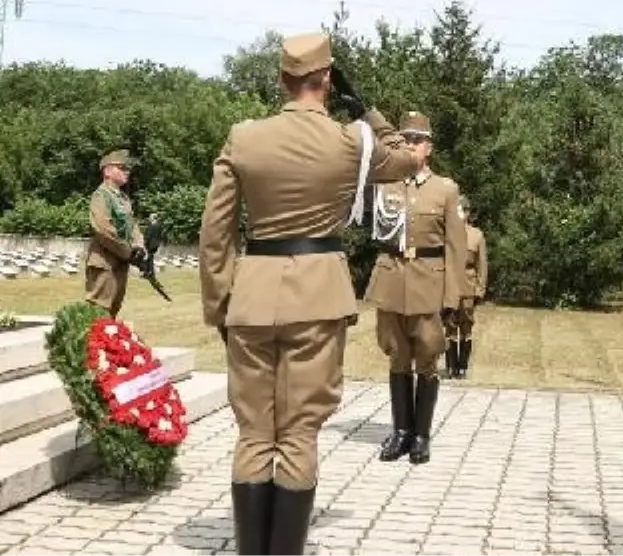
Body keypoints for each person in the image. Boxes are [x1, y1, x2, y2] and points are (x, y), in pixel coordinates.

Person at [198, 32, 420, 556]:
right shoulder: (352, 141)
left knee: (254, 434)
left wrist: (219, 305)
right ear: (326, 79)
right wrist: (366, 109)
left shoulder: (244, 136)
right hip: (318, 298)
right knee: (298, 435)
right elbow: (407, 160)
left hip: (252, 297)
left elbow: (216, 230)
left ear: (281, 79)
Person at [365, 110, 468, 465]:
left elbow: (457, 248)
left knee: (426, 358)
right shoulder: (385, 183)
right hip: (392, 278)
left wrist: (453, 296)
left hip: (428, 280)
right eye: (405, 139)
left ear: (429, 148)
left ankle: (421, 435)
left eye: (416, 140)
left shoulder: (445, 189)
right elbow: (379, 141)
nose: (410, 144)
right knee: (397, 356)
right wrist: (368, 113)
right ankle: (401, 432)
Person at [84, 149, 146, 317]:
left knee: (113, 310)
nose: (127, 172)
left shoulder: (124, 199)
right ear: (107, 171)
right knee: (98, 311)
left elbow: (132, 225)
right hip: (104, 262)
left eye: (127, 169)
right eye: (121, 168)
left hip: (120, 262)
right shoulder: (101, 195)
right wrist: (127, 251)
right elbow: (102, 229)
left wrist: (139, 246)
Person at [444, 194, 487, 379]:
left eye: (463, 210)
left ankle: (463, 367)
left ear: (468, 213)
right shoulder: (446, 234)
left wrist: (480, 289)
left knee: (466, 328)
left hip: (468, 287)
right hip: (450, 286)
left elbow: (482, 265)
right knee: (450, 327)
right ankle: (451, 367)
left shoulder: (476, 235)